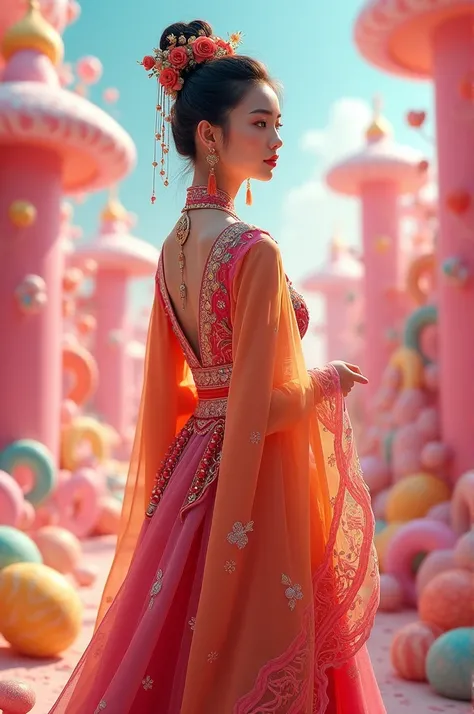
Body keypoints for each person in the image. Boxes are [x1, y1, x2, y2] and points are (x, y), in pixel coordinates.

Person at [49, 20, 384, 714]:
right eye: (259, 123)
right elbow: (260, 402)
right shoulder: (252, 250)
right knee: (250, 639)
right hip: (253, 478)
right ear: (210, 135)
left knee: (170, 636)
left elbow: (186, 388)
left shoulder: (171, 250)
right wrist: (329, 382)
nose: (275, 139)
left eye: (278, 124)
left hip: (192, 468)